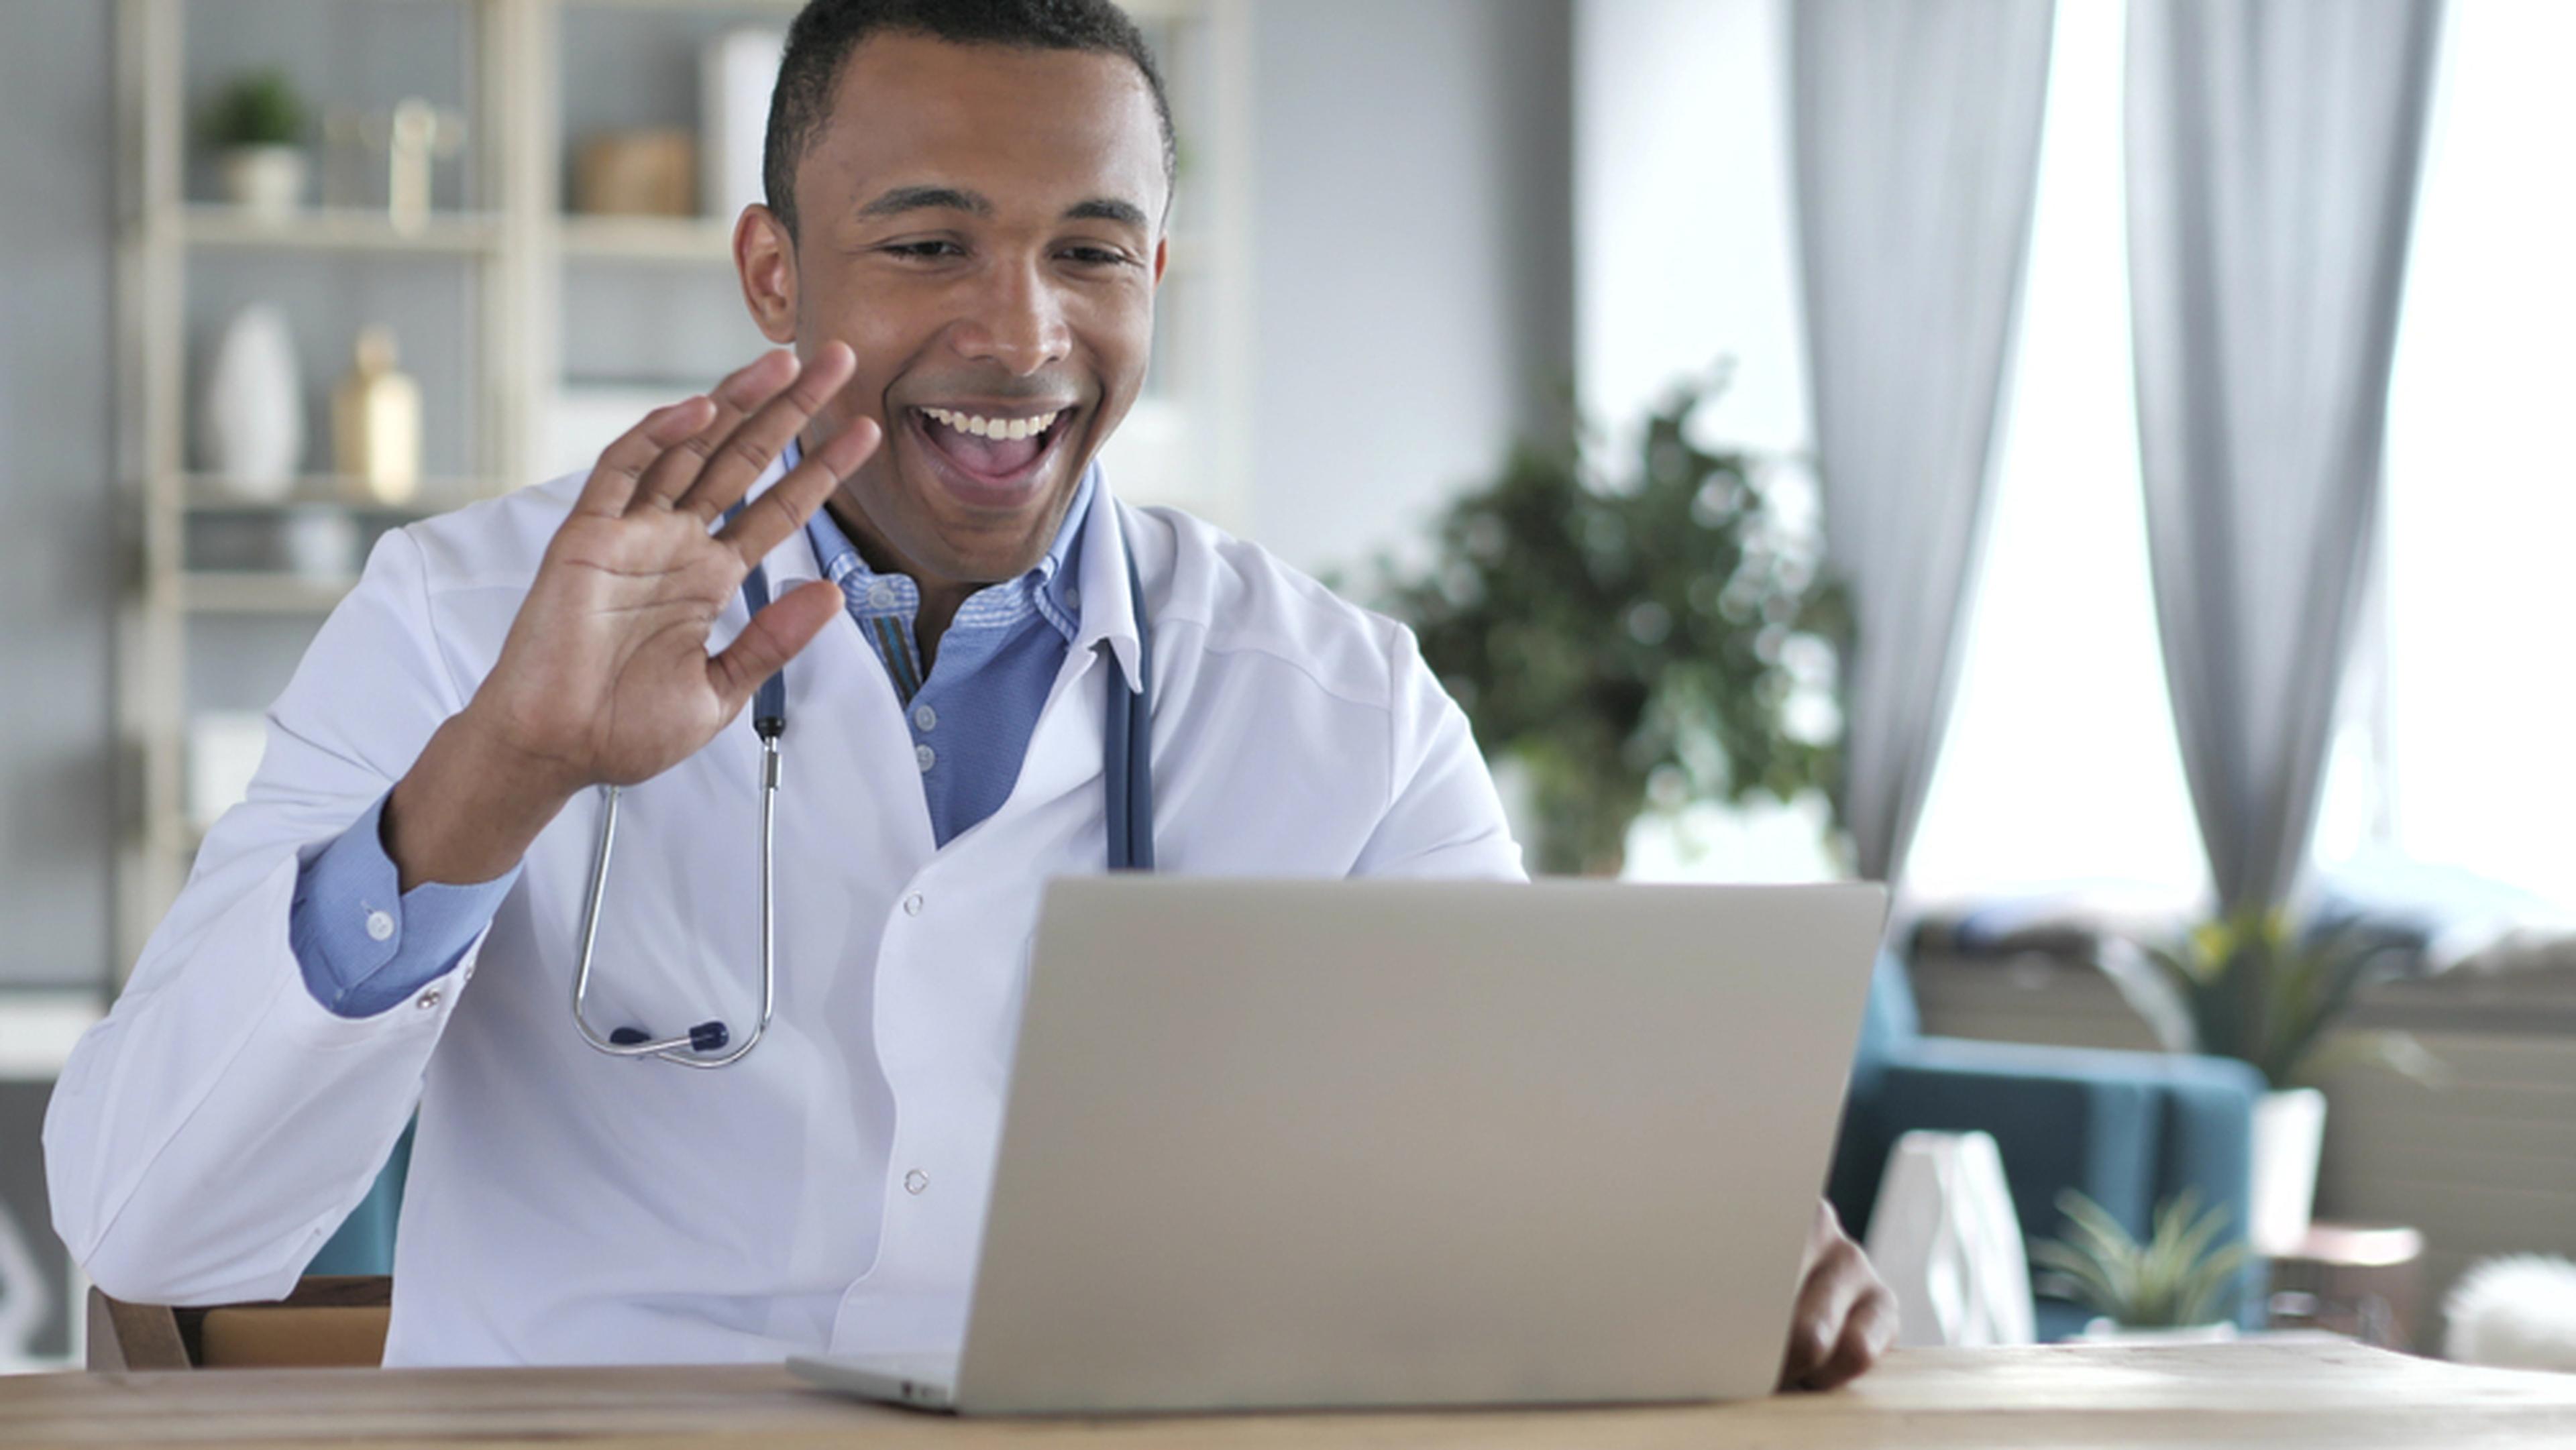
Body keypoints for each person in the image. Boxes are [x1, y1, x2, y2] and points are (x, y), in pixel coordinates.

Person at [44, 0, 1892, 1387]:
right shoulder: (464, 619)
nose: (1021, 334)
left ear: (1154, 272)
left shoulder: (1339, 704)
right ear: (775, 270)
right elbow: (149, 1226)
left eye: (1090, 248)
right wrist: (502, 772)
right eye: (930, 243)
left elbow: (1508, 1159)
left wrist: (1696, 1245)